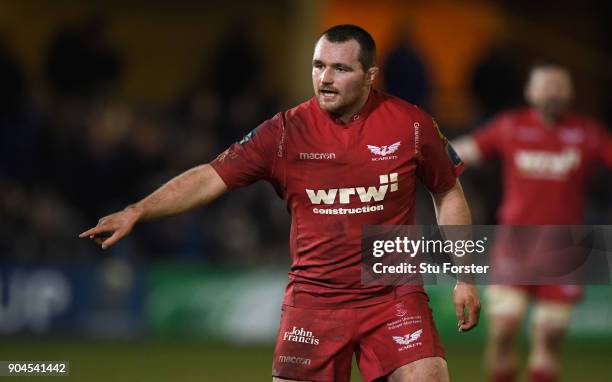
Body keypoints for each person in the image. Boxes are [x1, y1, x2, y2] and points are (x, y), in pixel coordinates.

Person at [80, 24, 480, 382]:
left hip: (392, 295)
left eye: (340, 69)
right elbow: (210, 175)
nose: (324, 78)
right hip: (314, 301)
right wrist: (138, 210)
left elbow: (446, 191)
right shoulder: (286, 132)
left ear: (370, 76)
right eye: (318, 65)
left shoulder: (411, 125)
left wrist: (465, 275)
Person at [453, 64, 612, 382]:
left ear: (570, 94)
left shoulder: (588, 133)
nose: (553, 92)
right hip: (516, 247)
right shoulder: (510, 126)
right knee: (502, 332)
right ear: (530, 92)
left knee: (549, 340)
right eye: (546, 85)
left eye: (560, 86)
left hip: (564, 251)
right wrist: (416, 156)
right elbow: (461, 152)